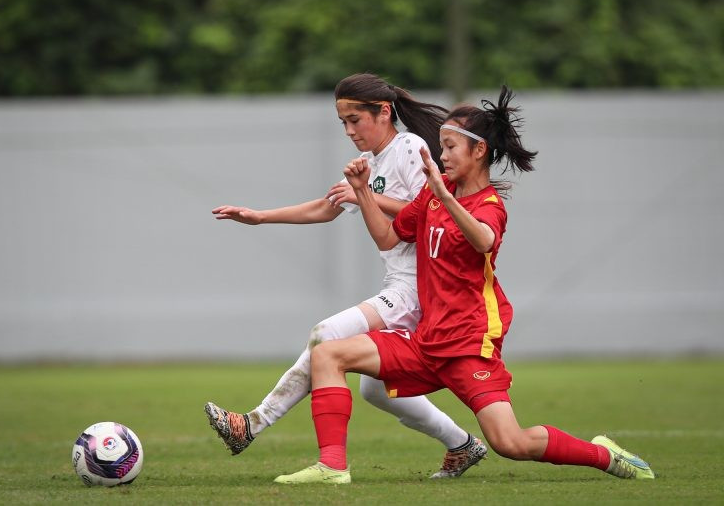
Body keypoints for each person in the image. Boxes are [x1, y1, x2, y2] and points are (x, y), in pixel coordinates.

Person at [274, 86, 655, 484]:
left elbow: (484, 241)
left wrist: (442, 195)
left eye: (451, 147)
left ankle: (604, 456)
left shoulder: (488, 205)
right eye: (441, 147)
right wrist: (363, 192)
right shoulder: (435, 195)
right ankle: (333, 467)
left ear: (479, 151)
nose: (443, 156)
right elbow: (388, 238)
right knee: (328, 355)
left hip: (469, 343)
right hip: (427, 340)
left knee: (512, 443)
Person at [205, 73, 486, 479]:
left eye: (356, 119)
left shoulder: (410, 147)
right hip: (400, 286)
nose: (350, 130)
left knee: (325, 334)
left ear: (384, 112)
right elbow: (327, 206)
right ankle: (463, 445)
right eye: (343, 122)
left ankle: (253, 424)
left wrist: (365, 195)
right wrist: (259, 217)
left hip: (420, 288)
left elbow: (430, 209)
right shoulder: (369, 165)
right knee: (375, 390)